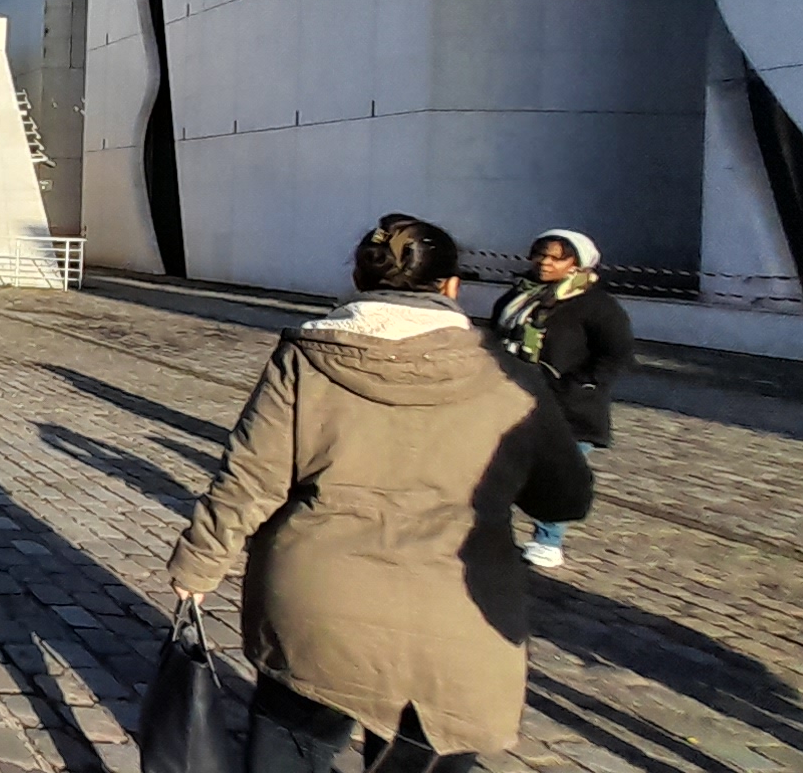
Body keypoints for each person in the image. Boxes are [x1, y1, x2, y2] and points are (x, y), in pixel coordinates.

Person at [166, 217, 594, 773]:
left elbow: (250, 478)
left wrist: (196, 570)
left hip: (318, 605)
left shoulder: (307, 358)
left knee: (289, 754)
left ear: (361, 280)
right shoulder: (513, 379)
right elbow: (565, 499)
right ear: (452, 286)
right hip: (458, 621)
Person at [490, 229, 632, 569]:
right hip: (515, 398)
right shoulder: (520, 296)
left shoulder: (596, 305)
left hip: (570, 410)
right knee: (503, 468)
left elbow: (616, 353)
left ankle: (548, 540)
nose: (545, 263)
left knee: (556, 472)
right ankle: (497, 535)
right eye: (540, 254)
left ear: (576, 264)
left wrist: (580, 385)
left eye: (556, 257)